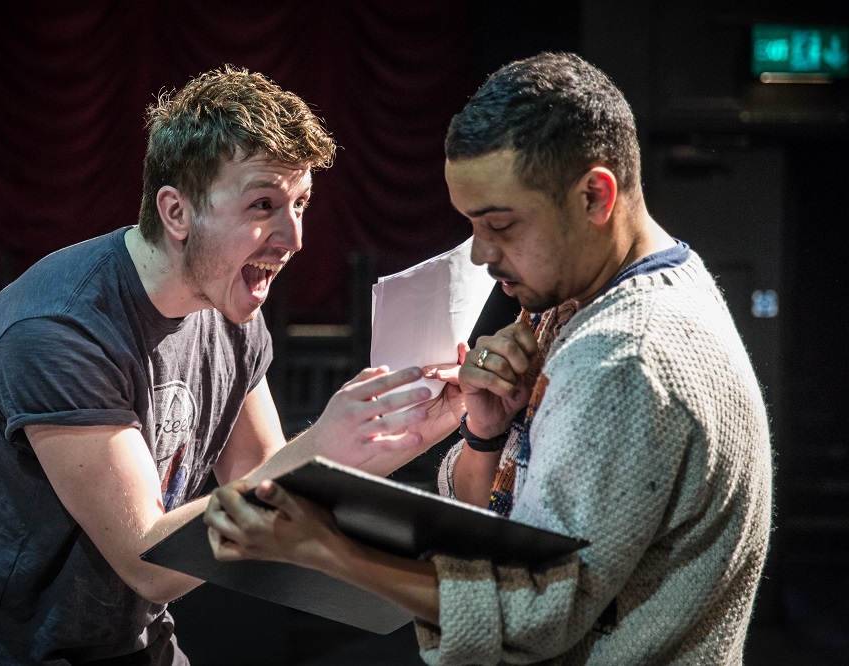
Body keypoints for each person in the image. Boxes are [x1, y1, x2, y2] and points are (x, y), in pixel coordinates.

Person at [204, 52, 773, 665]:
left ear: (595, 196)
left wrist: (324, 549)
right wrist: (486, 435)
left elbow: (531, 617)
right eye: (473, 225)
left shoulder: (623, 355)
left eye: (500, 225)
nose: (480, 254)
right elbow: (511, 523)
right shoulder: (607, 293)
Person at [0, 66, 460, 665]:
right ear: (176, 212)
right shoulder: (59, 329)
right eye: (264, 204)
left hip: (134, 642)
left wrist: (403, 433)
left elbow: (265, 490)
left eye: (300, 203)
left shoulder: (232, 313)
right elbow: (149, 561)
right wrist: (323, 445)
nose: (293, 236)